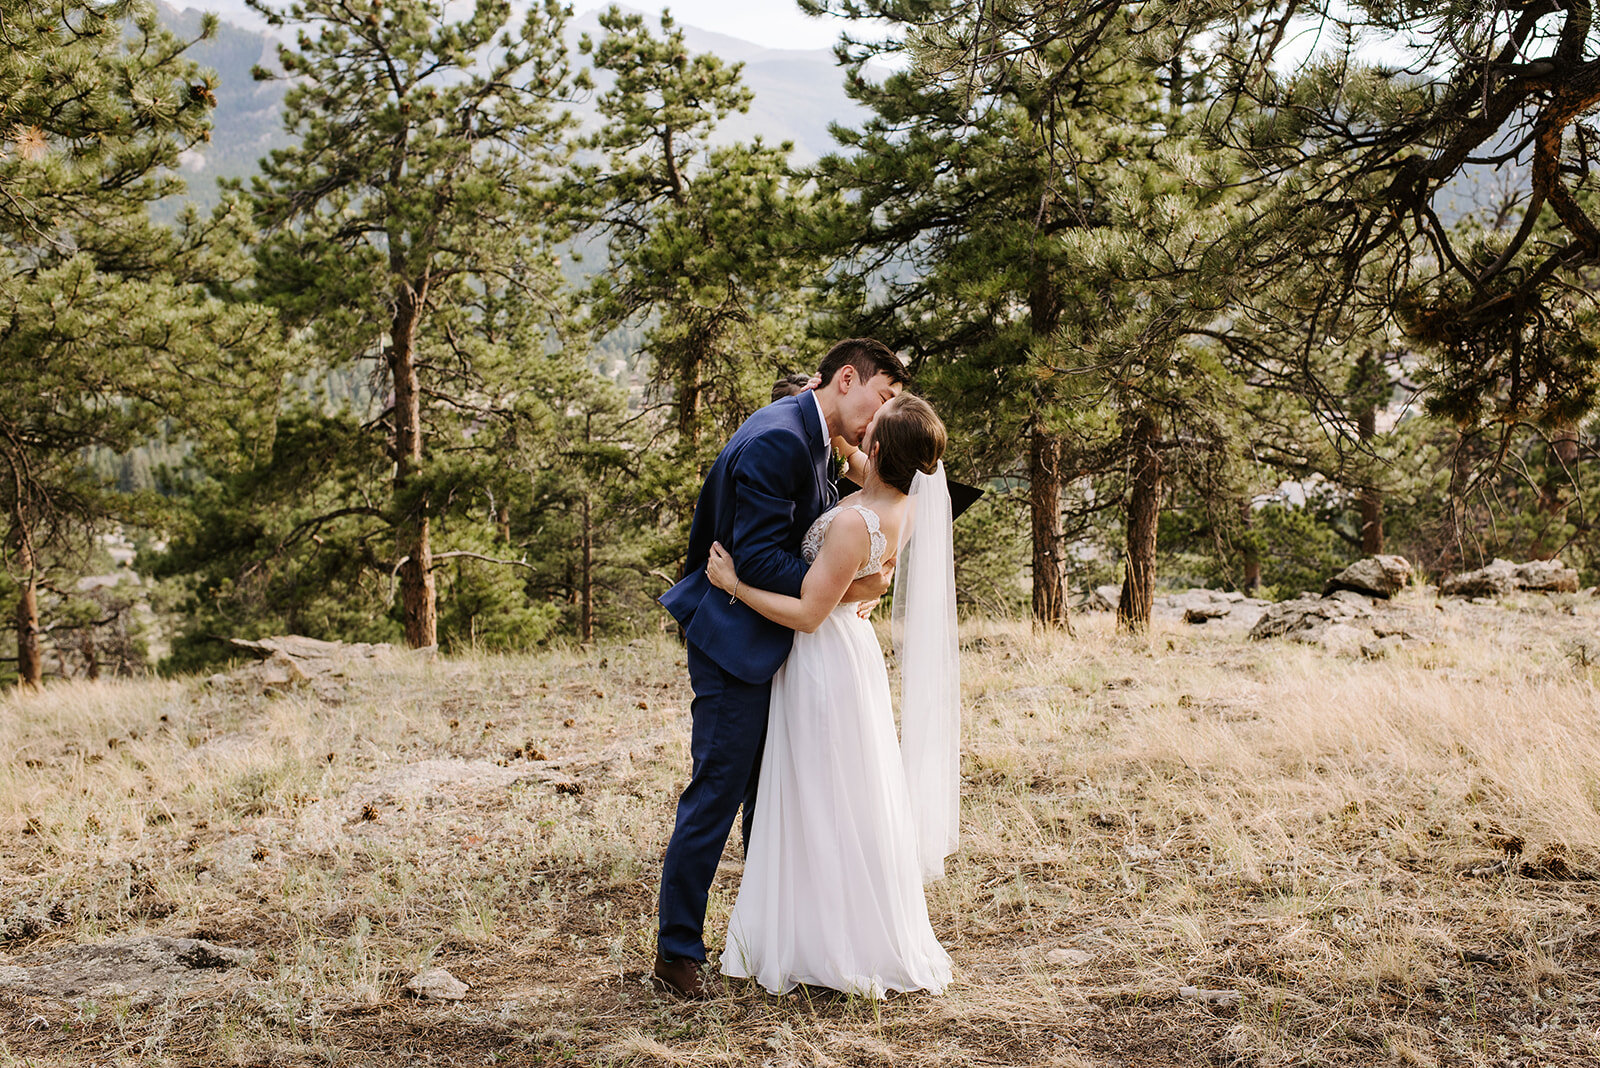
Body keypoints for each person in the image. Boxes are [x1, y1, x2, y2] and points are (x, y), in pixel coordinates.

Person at [654, 338, 910, 998]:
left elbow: (815, 513)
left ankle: (771, 937)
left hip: (785, 647)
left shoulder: (817, 432)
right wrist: (848, 585)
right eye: (882, 398)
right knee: (717, 792)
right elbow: (758, 559)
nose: (880, 416)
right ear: (847, 378)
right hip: (736, 642)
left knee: (774, 798)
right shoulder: (778, 439)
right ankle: (676, 952)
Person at [705, 393, 960, 998]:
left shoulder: (852, 521)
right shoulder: (901, 502)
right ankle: (830, 924)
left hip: (823, 661)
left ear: (878, 447)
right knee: (846, 792)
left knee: (821, 795)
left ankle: (826, 941)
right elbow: (854, 473)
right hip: (853, 656)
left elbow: (808, 614)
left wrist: (734, 584)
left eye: (870, 430)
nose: (860, 433)